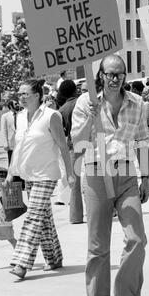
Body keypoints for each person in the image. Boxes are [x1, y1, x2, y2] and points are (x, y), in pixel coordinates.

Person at [71, 54, 149, 296]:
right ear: (100, 76)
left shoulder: (137, 103)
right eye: (109, 74)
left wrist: (147, 177)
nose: (114, 79)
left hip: (126, 174)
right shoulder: (86, 102)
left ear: (126, 76)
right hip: (95, 174)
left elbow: (142, 140)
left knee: (137, 239)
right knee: (98, 247)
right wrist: (89, 119)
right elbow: (77, 140)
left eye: (119, 74)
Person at [6, 78, 74, 280]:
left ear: (37, 95)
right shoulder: (19, 117)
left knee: (34, 216)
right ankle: (54, 258)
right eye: (19, 94)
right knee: (44, 218)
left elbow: (63, 146)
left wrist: (70, 173)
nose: (21, 97)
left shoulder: (51, 116)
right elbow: (18, 148)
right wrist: (11, 172)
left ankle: (22, 262)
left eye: (24, 94)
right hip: (29, 174)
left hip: (47, 174)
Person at [58, 79, 84, 224]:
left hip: (72, 144)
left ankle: (75, 216)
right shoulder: (82, 102)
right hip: (90, 141)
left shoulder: (61, 110)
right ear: (76, 90)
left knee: (75, 181)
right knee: (97, 177)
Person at [0, 99, 20, 165]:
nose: (18, 105)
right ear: (11, 106)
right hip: (11, 143)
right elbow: (3, 130)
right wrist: (5, 143)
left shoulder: (21, 115)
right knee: (11, 163)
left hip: (21, 143)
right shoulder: (5, 116)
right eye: (15, 104)